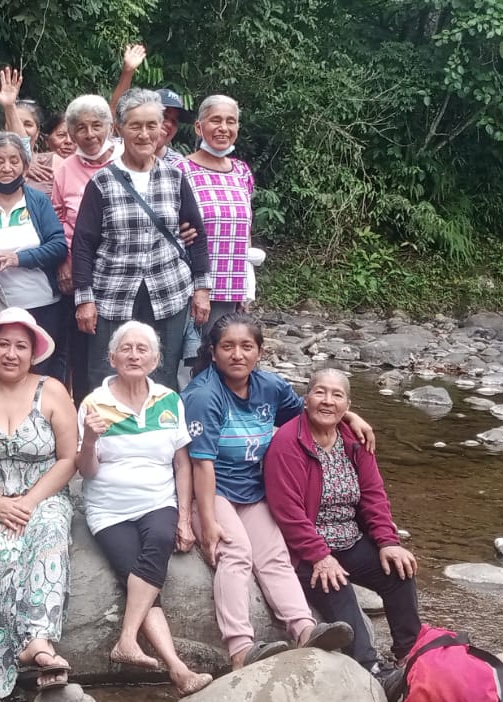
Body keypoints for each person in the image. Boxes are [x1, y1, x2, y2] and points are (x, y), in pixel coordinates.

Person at [183, 313, 371, 669]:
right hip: (211, 489)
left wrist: (350, 416)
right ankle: (240, 648)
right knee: (236, 554)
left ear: (260, 352)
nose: (237, 355)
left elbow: (311, 412)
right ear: (213, 352)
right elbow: (201, 464)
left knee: (275, 555)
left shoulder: (270, 386)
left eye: (246, 346)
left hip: (252, 489)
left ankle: (304, 629)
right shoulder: (203, 396)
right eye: (227, 347)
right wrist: (207, 522)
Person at [77, 321, 212, 697]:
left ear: (155, 360)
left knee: (158, 545)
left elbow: (182, 463)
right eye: (126, 348)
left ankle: (130, 641)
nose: (134, 355)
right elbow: (86, 471)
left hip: (157, 501)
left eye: (142, 349)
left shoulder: (169, 400)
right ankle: (179, 670)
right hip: (108, 509)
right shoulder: (93, 403)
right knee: (140, 576)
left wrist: (184, 518)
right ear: (112, 357)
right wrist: (89, 440)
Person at [0, 308, 78, 695]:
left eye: (20, 346)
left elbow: (68, 459)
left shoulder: (52, 390)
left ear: (33, 352)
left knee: (49, 537)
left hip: (44, 496)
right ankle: (30, 655)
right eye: (3, 345)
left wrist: (30, 500)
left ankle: (38, 642)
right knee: (3, 557)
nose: (11, 353)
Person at [266, 369, 420, 678]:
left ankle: (410, 655)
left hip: (349, 538)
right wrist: (320, 556)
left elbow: (373, 494)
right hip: (306, 550)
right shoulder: (287, 442)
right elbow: (287, 511)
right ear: (306, 399)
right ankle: (369, 669)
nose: (327, 401)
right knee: (338, 586)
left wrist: (388, 541)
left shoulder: (354, 439)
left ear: (347, 405)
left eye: (337, 395)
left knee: (398, 573)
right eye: (319, 392)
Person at [72, 88, 212, 392]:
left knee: (162, 374)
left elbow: (196, 236)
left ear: (161, 128)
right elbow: (83, 244)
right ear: (119, 129)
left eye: (152, 125)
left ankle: (157, 424)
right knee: (106, 374)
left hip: (168, 293)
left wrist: (202, 289)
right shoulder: (102, 181)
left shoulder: (174, 178)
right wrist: (84, 300)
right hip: (113, 295)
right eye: (135, 126)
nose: (144, 134)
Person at [0, 131, 68, 379]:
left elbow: (58, 245)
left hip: (41, 306)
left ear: (25, 166)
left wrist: (17, 259)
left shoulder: (37, 201)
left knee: (39, 374)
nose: (7, 168)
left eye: (14, 161)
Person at [49, 94, 121, 400]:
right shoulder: (65, 168)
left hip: (120, 271)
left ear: (109, 127)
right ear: (71, 132)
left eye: (96, 125)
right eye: (80, 127)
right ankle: (83, 412)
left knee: (119, 347)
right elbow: (56, 218)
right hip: (79, 274)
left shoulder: (124, 161)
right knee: (81, 353)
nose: (89, 134)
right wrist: (64, 261)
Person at [175, 96, 254, 333]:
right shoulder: (180, 170)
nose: (223, 128)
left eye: (231, 121)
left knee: (222, 351)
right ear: (199, 127)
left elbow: (246, 230)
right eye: (215, 120)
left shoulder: (241, 171)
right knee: (187, 354)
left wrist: (247, 287)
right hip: (190, 288)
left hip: (231, 288)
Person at [0, 67, 56, 193]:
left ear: (37, 131)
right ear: (3, 130)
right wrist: (9, 107)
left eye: (28, 124)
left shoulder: (53, 161)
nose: (22, 129)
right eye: (15, 122)